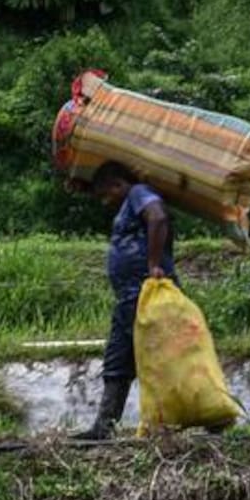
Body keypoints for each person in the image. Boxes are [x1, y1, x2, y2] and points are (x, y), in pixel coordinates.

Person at [73, 161, 177, 440]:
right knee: (118, 358)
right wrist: (84, 186)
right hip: (130, 299)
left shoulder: (139, 193)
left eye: (107, 194)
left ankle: (185, 419)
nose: (105, 202)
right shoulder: (128, 201)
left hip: (146, 294)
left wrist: (154, 264)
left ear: (119, 184)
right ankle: (104, 426)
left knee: (162, 356)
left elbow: (157, 217)